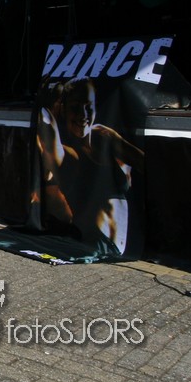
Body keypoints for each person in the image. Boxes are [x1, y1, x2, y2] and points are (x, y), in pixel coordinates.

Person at [36, 77, 143, 256]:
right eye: (75, 107)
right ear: (62, 108)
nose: (83, 114)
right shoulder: (66, 153)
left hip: (121, 247)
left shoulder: (105, 135)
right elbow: (45, 123)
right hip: (95, 243)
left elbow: (143, 162)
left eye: (88, 106)